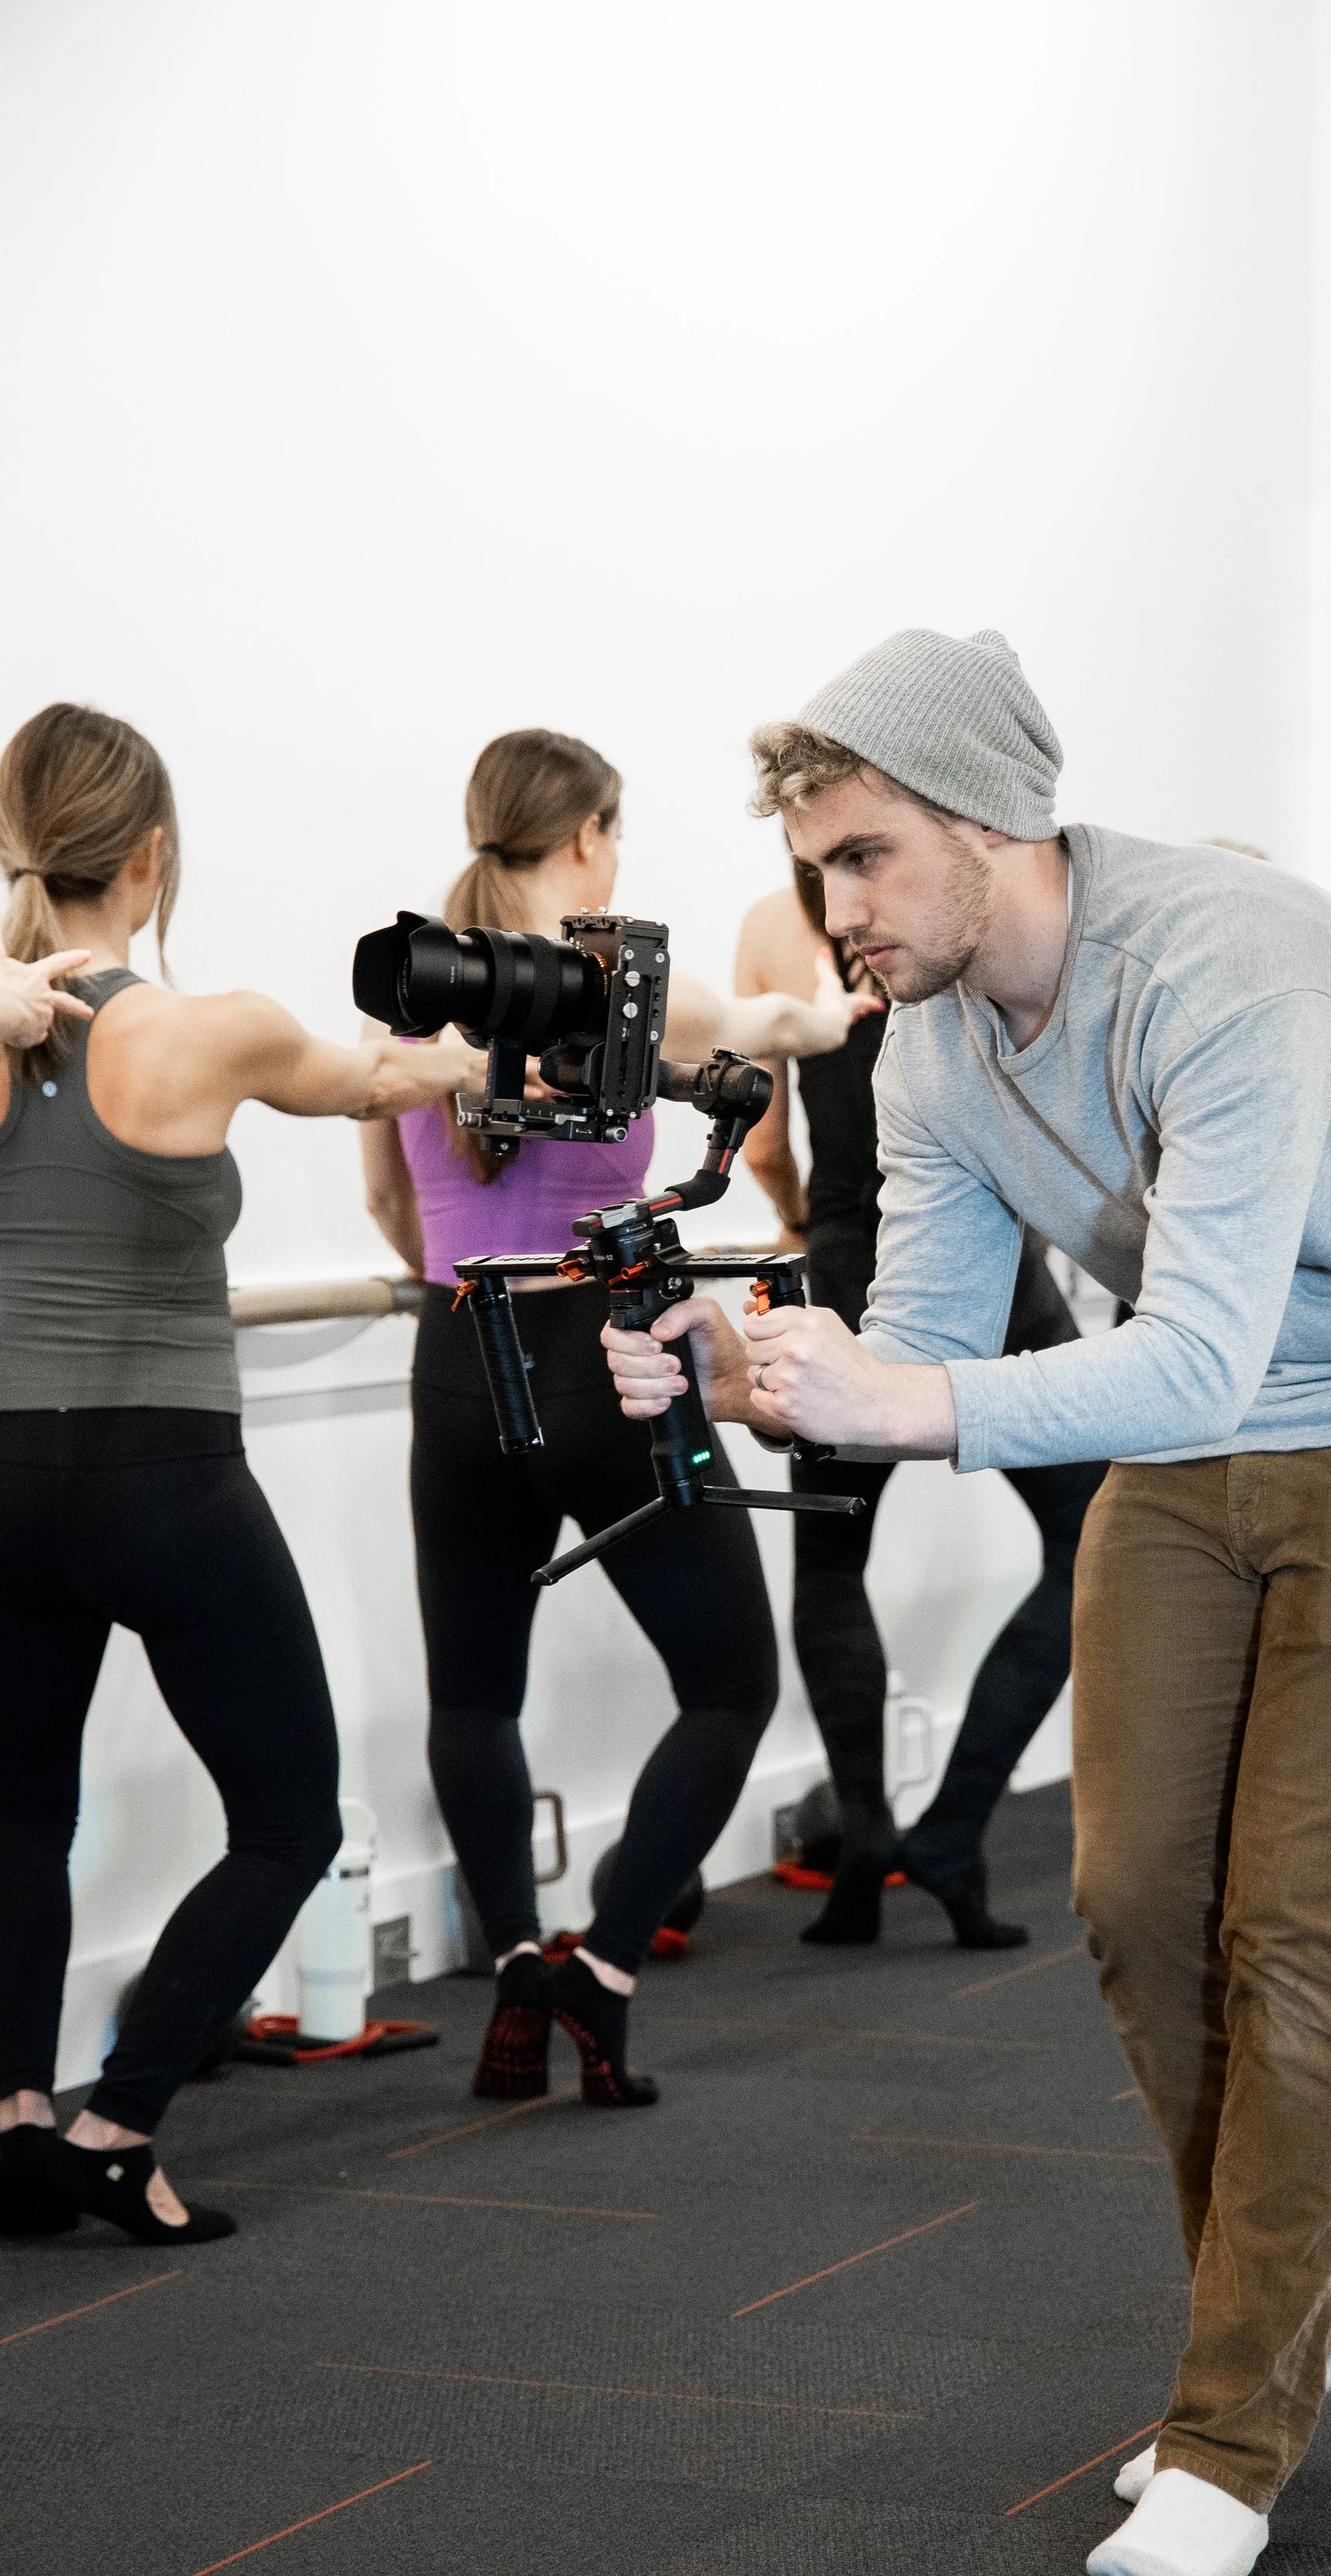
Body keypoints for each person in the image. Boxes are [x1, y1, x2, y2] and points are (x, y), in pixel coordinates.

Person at [604, 628, 1331, 2576]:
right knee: (1134, 1900)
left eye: (864, 857)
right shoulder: (930, 1047)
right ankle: (1280, 2306)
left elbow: (1178, 1353)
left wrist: (899, 1401)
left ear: (988, 821)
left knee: (1295, 1919)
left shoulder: (1225, 962)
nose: (835, 911)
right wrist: (745, 1368)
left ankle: (1233, 2422)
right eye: (816, 869)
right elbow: (924, 1348)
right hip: (1203, 1422)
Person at [0, 702, 483, 2247]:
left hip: (5, 1480)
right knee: (286, 1819)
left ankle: (14, 2124)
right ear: (151, 855)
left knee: (19, 1815)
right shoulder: (209, 1029)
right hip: (160, 1478)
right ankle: (116, 2128)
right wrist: (475, 1044)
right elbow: (378, 1081)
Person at [360, 727, 874, 2109]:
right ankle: (604, 1966)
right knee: (730, 1686)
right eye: (617, 834)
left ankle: (516, 1964)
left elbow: (391, 1205)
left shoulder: (413, 1000)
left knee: (473, 1695)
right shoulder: (629, 994)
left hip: (459, 1355)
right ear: (587, 836)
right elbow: (777, 1028)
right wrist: (835, 1009)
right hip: (610, 1356)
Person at [734, 859, 1104, 1948]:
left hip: (848, 1260)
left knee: (830, 1565)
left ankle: (864, 1835)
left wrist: (815, 1222)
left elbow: (763, 1139)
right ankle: (953, 1826)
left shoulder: (769, 928)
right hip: (989, 1259)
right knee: (1095, 1539)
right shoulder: (952, 905)